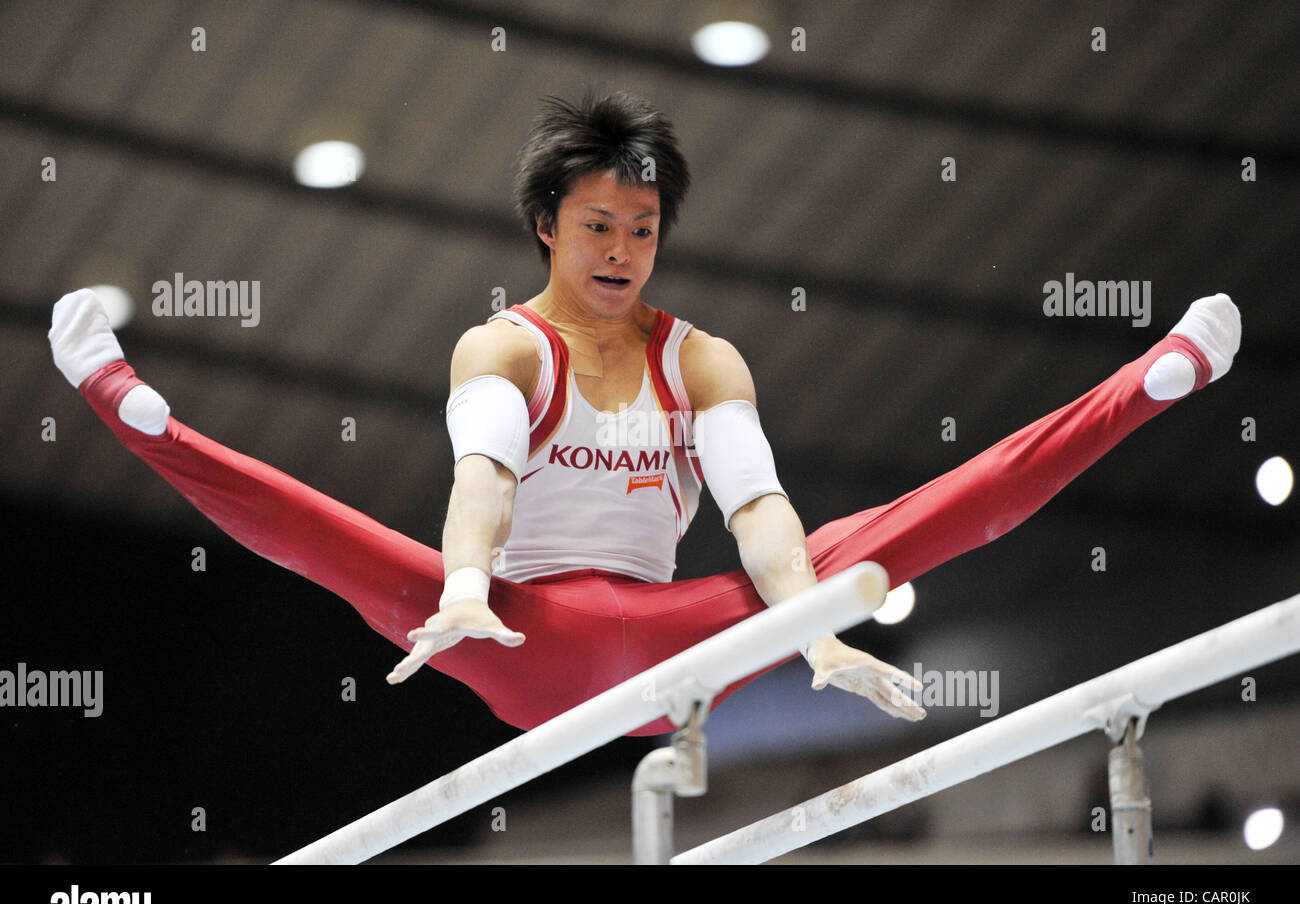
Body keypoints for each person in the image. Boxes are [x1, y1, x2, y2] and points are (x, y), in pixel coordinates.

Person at [48, 91, 1241, 737]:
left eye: (644, 228)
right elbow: (487, 485)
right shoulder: (502, 344)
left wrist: (817, 626)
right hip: (520, 635)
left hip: (688, 645)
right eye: (597, 227)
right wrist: (466, 583)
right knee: (345, 546)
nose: (622, 251)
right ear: (545, 227)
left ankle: (1147, 382)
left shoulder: (704, 359)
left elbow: (760, 509)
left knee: (876, 536)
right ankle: (128, 403)